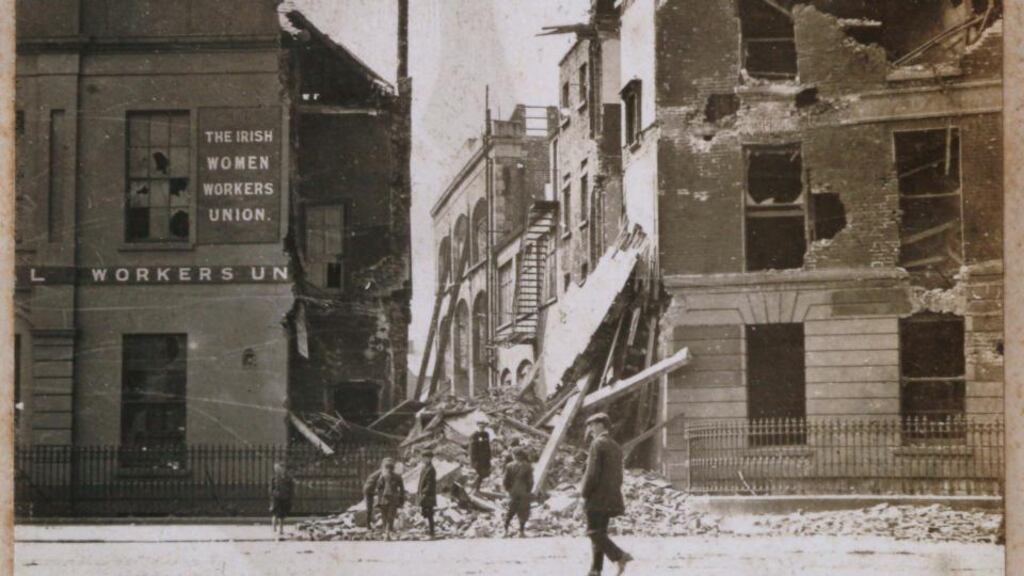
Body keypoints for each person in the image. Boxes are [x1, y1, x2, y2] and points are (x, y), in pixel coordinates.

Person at [581, 412, 633, 576]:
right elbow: (619, 475)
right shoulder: (615, 445)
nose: (590, 429)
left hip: (596, 496)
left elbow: (592, 474)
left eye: (592, 425)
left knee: (592, 532)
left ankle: (620, 555)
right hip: (611, 496)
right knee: (600, 533)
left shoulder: (598, 443)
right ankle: (595, 570)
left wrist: (584, 493)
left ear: (601, 425)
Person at [502, 447, 534, 537]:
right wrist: (528, 490)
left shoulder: (509, 466)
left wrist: (508, 490)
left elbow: (505, 480)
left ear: (514, 455)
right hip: (523, 491)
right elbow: (530, 481)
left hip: (513, 492)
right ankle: (521, 532)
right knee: (523, 511)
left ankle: (505, 531)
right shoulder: (528, 466)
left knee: (510, 510)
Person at [375, 457, 406, 541]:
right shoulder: (397, 477)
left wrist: (379, 500)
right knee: (390, 516)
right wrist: (401, 500)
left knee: (385, 516)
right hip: (393, 499)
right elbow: (402, 490)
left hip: (384, 499)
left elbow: (378, 488)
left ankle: (386, 533)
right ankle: (388, 533)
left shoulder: (383, 476)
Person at [269, 461, 295, 539]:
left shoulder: (288, 478)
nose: (278, 470)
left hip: (285, 497)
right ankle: (274, 528)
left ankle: (281, 529)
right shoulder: (273, 478)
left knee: (282, 515)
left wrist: (290, 496)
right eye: (276, 468)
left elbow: (291, 488)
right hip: (276, 498)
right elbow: (271, 489)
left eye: (280, 468)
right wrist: (274, 494)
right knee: (275, 513)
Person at [418, 449, 438, 539]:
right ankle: (428, 532)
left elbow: (430, 483)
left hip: (428, 495)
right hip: (424, 494)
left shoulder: (431, 469)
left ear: (429, 458)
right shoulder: (425, 468)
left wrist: (424, 493)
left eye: (424, 457)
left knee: (429, 514)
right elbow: (421, 482)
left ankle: (431, 533)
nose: (422, 459)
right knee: (425, 513)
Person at [468, 420, 492, 491]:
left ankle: (477, 488)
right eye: (481, 427)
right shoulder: (474, 435)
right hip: (477, 459)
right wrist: (474, 461)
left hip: (485, 459)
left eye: (483, 427)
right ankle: (474, 488)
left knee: (484, 474)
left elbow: (488, 446)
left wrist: (489, 457)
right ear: (477, 426)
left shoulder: (486, 434)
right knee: (477, 474)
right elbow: (472, 450)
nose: (482, 428)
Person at [362, 461, 386, 530]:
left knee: (369, 507)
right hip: (369, 489)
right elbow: (380, 482)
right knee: (370, 507)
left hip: (368, 488)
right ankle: (369, 525)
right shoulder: (382, 472)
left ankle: (369, 524)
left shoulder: (379, 472)